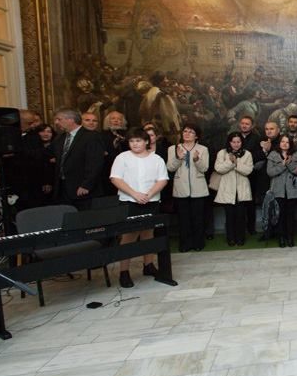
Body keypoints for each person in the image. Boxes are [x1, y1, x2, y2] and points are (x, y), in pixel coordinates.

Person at [110, 127, 175, 288]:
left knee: (148, 233)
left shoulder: (156, 159)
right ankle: (124, 271)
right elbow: (115, 178)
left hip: (151, 200)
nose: (135, 144)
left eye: (138, 140)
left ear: (146, 141)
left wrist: (149, 194)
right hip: (129, 200)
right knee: (128, 236)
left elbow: (163, 179)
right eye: (132, 141)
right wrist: (135, 194)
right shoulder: (122, 157)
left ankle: (148, 265)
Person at [167, 123, 210, 253]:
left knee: (198, 218)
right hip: (181, 188)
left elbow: (204, 168)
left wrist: (197, 160)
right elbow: (170, 168)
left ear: (196, 136)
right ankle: (185, 244)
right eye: (185, 131)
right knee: (183, 219)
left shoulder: (203, 149)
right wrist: (178, 158)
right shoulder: (173, 148)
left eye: (191, 132)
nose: (187, 134)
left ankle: (198, 243)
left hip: (198, 188)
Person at [52, 108, 104, 209]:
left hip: (83, 190)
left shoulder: (91, 137)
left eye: (59, 119)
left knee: (84, 217)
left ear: (71, 120)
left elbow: (95, 163)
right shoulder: (60, 138)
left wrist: (86, 185)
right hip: (63, 190)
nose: (56, 122)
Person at [214, 131, 253, 246]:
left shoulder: (247, 154)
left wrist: (236, 163)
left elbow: (248, 170)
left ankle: (240, 238)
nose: (236, 144)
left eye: (238, 142)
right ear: (229, 142)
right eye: (233, 142)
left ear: (242, 142)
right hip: (227, 189)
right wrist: (230, 163)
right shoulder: (222, 153)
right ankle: (230, 238)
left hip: (241, 189)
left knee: (241, 216)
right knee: (229, 216)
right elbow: (218, 168)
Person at [268, 135, 297, 248]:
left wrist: (289, 163)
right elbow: (270, 172)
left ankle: (290, 237)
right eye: (282, 141)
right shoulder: (273, 154)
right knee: (280, 215)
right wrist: (282, 165)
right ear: (279, 143)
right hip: (278, 189)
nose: (284, 144)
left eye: (287, 142)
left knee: (291, 215)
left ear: (290, 144)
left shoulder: (296, 155)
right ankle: (281, 237)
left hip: (292, 190)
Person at [237, 116, 263, 236]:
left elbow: (260, 155)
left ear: (252, 126)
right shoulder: (235, 137)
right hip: (236, 173)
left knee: (250, 202)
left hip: (252, 174)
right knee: (238, 202)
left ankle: (251, 228)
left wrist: (247, 159)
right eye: (242, 123)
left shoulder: (257, 138)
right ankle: (239, 228)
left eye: (247, 124)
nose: (244, 125)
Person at [27, 124, 56, 209]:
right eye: (42, 131)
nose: (46, 134)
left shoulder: (57, 146)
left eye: (49, 132)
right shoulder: (32, 147)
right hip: (36, 184)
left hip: (55, 184)